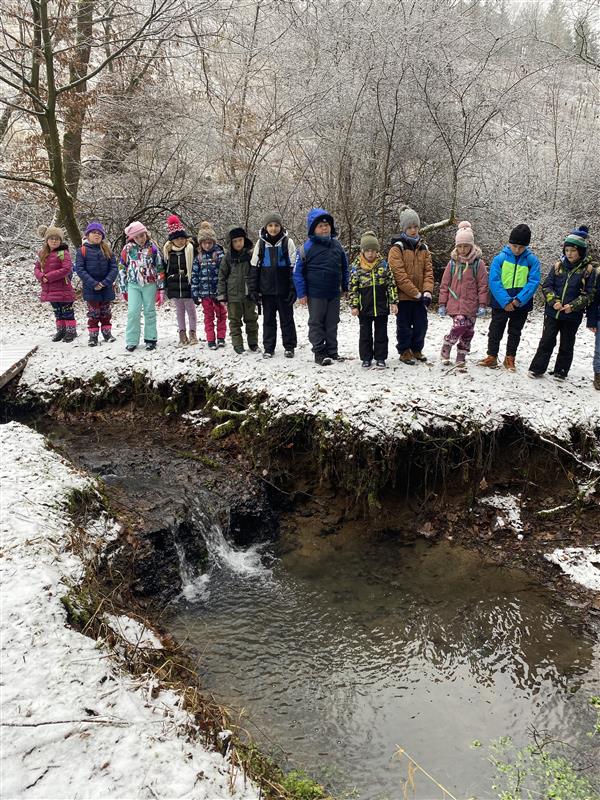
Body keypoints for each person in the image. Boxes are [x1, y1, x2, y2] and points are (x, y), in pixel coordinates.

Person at [528, 225, 595, 382]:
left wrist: (573, 306)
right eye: (567, 250)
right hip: (553, 312)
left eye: (573, 251)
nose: (569, 254)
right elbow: (547, 286)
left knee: (567, 343)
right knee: (547, 340)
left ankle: (561, 371)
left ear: (580, 251)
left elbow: (589, 294)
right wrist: (553, 301)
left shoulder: (588, 270)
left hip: (572, 315)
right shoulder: (558, 266)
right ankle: (537, 368)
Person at [478, 224, 540, 371]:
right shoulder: (500, 258)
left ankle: (510, 358)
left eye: (521, 247)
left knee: (515, 331)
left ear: (526, 246)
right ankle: (492, 356)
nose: (517, 250)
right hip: (501, 303)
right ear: (509, 243)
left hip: (521, 304)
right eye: (514, 246)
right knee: (495, 330)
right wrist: (505, 301)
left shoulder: (532, 261)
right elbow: (494, 281)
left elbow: (533, 282)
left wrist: (519, 300)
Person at [293, 207, 349, 366]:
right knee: (316, 323)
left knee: (332, 322)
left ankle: (332, 351)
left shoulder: (337, 246)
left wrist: (346, 287)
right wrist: (301, 293)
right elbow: (297, 272)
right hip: (315, 294)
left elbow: (344, 267)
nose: (324, 228)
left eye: (327, 225)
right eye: (320, 226)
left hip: (334, 293)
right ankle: (319, 351)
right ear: (313, 229)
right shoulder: (306, 248)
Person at [438, 221, 489, 369]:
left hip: (471, 305)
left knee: (468, 332)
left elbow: (483, 285)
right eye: (459, 246)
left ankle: (461, 355)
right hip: (455, 304)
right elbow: (444, 284)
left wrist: (482, 304)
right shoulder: (452, 263)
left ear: (471, 246)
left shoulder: (478, 264)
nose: (462, 249)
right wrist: (442, 303)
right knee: (459, 325)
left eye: (465, 246)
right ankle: (447, 344)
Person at [388, 205, 434, 364]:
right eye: (409, 227)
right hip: (404, 297)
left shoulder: (424, 248)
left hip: (421, 298)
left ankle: (417, 349)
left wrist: (427, 292)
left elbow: (428, 272)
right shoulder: (397, 248)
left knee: (421, 325)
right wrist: (416, 293)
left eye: (416, 227)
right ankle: (404, 350)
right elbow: (399, 275)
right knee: (404, 327)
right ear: (404, 228)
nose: (413, 230)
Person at [248, 212, 297, 359]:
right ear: (265, 227)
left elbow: (293, 268)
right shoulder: (261, 244)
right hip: (267, 291)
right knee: (268, 321)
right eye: (270, 225)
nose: (273, 228)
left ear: (281, 226)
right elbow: (254, 268)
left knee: (287, 320)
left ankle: (289, 346)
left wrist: (293, 289)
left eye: (276, 225)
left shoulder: (288, 242)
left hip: (284, 291)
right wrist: (253, 289)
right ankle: (269, 348)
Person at [349, 230, 398, 368]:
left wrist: (393, 302)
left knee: (381, 334)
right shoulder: (356, 268)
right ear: (363, 251)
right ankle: (366, 357)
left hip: (381, 306)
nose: (370, 253)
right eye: (367, 250)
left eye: (373, 250)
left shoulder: (383, 265)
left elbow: (391, 284)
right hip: (364, 307)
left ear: (377, 251)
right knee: (365, 334)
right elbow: (353, 288)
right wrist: (354, 305)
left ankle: (380, 357)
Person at [118, 221, 165, 352]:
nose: (140, 239)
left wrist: (161, 288)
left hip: (150, 284)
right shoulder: (127, 249)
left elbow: (160, 267)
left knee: (149, 311)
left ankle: (151, 338)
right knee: (133, 312)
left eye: (142, 235)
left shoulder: (153, 248)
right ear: (132, 237)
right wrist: (123, 288)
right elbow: (122, 267)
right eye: (136, 237)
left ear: (146, 234)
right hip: (133, 285)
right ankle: (132, 340)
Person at [75, 221, 118, 347]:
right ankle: (93, 336)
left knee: (106, 313)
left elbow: (114, 268)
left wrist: (105, 282)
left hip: (106, 287)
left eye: (99, 233)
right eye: (94, 232)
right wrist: (93, 283)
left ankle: (107, 333)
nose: (97, 235)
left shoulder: (107, 250)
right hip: (91, 288)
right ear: (88, 235)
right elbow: (80, 269)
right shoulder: (82, 251)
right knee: (93, 314)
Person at [217, 227, 259, 354]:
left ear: (244, 240)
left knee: (252, 320)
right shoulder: (227, 258)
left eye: (240, 240)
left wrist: (257, 291)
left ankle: (253, 343)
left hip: (248, 295)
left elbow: (256, 273)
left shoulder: (251, 255)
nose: (238, 243)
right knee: (235, 322)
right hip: (233, 296)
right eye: (235, 241)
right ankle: (238, 344)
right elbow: (222, 276)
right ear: (231, 243)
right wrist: (222, 295)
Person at [34, 224, 77, 342]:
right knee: (57, 311)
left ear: (60, 241)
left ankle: (71, 331)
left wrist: (48, 276)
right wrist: (41, 276)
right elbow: (36, 268)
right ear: (46, 240)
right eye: (51, 238)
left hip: (63, 288)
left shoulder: (63, 253)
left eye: (57, 239)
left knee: (67, 311)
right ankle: (61, 330)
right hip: (50, 289)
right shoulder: (42, 253)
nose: (54, 241)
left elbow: (66, 269)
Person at [191, 221, 226, 350]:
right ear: (200, 243)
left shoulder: (220, 255)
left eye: (209, 242)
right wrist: (195, 293)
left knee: (221, 315)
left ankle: (221, 337)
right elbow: (194, 276)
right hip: (205, 294)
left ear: (213, 242)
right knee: (208, 317)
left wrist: (224, 291)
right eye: (204, 243)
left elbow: (225, 273)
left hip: (219, 293)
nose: (207, 245)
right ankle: (211, 339)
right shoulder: (198, 258)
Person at [163, 214, 197, 346]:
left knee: (191, 311)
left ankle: (193, 332)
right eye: (177, 239)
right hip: (175, 285)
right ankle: (182, 333)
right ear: (172, 240)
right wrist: (167, 285)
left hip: (188, 284)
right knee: (180, 312)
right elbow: (166, 269)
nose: (180, 241)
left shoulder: (190, 249)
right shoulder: (168, 252)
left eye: (182, 238)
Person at [586, 261, 600, 391]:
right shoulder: (598, 274)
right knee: (599, 350)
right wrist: (591, 320)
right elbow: (594, 298)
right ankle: (598, 375)